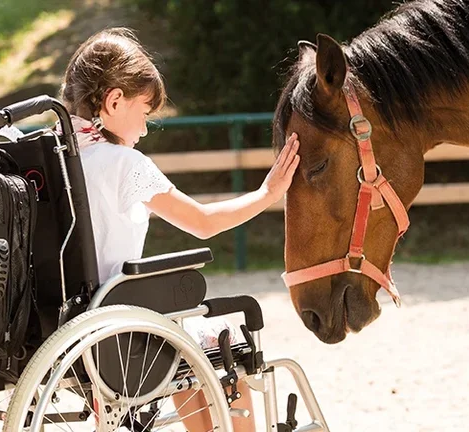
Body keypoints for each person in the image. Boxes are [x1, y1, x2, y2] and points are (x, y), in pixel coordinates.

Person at [59, 27, 300, 431]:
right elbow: (202, 224)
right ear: (114, 101)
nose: (146, 127)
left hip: (66, 325)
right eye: (144, 112)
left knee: (185, 336)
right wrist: (267, 193)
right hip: (119, 328)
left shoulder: (51, 156)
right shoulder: (123, 163)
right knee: (219, 339)